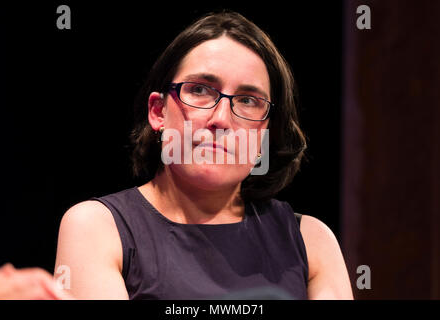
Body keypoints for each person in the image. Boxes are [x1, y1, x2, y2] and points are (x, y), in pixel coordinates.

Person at [54, 11, 353, 300]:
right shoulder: (96, 227)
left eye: (248, 100)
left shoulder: (311, 241)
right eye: (200, 90)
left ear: (266, 132)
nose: (221, 118)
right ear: (158, 112)